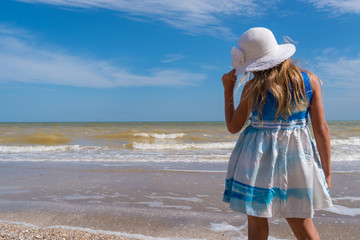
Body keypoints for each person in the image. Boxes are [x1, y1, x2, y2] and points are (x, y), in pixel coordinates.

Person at [221, 27, 333, 240]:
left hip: (256, 156)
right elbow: (321, 130)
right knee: (300, 221)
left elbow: (233, 127)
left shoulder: (252, 87)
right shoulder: (309, 81)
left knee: (256, 223)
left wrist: (228, 90)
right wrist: (326, 172)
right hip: (296, 158)